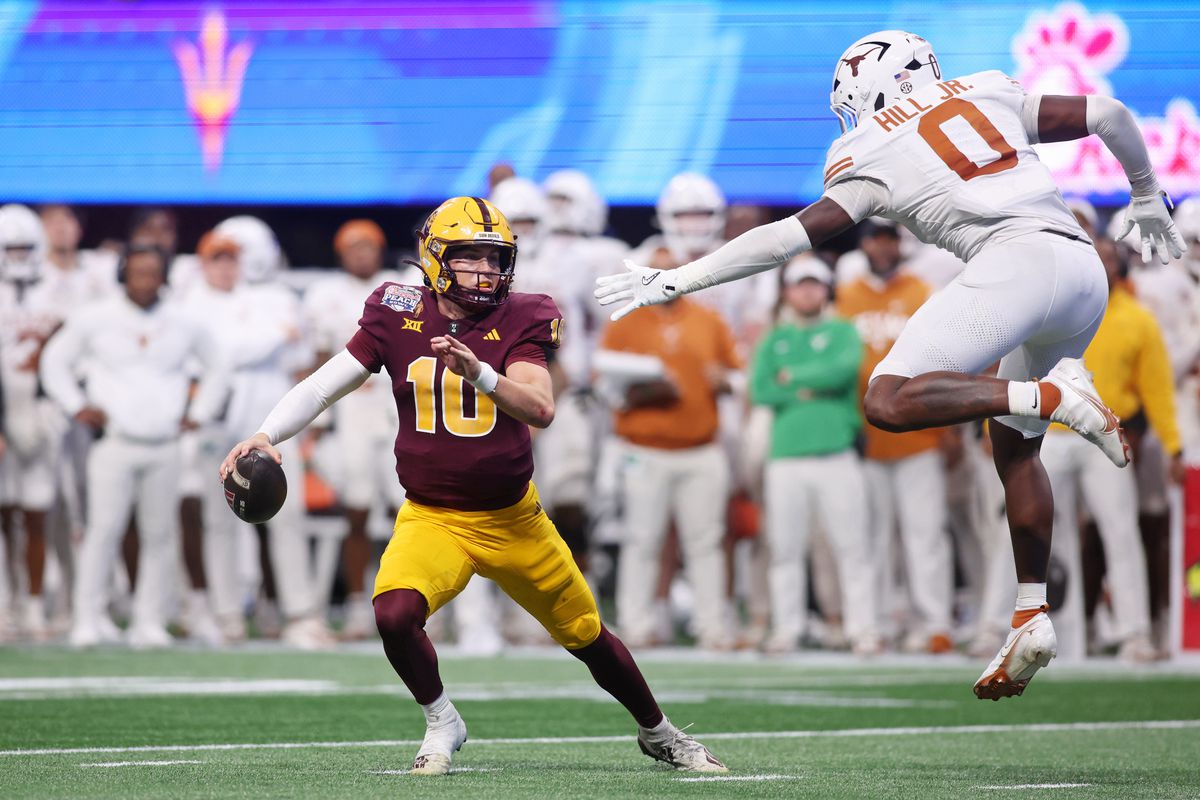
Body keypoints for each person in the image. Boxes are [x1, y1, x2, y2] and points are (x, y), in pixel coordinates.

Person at [594, 30, 1185, 700]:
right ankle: (1030, 611)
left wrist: (683, 278)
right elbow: (1109, 114)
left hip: (1014, 262)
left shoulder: (867, 147)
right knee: (1014, 452)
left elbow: (788, 238)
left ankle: (1051, 396)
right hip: (1081, 268)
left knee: (888, 399)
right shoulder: (988, 87)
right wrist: (1143, 195)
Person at [220, 197, 727, 775]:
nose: (486, 271)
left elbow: (540, 407)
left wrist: (480, 373)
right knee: (392, 614)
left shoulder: (525, 314)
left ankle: (659, 732)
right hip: (432, 515)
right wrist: (265, 433)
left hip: (514, 520)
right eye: (471, 259)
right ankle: (441, 719)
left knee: (587, 635)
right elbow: (321, 387)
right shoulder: (395, 309)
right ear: (435, 259)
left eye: (494, 259)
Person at [40, 242, 229, 648]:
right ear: (123, 273)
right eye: (138, 271)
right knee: (102, 530)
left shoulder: (184, 322)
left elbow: (218, 366)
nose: (146, 280)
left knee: (160, 534)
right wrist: (77, 405)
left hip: (165, 442)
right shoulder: (95, 318)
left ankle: (149, 622)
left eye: (153, 272)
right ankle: (87, 618)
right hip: (113, 442)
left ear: (164, 277)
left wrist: (201, 411)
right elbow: (53, 361)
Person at [1040, 237, 1183, 661]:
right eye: (1093, 258)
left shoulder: (1138, 319)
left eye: (1107, 259)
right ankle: (1055, 634)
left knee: (1121, 532)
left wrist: (1173, 446)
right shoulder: (1054, 310)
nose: (1100, 266)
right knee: (1045, 535)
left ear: (1120, 268)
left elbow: (1157, 389)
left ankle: (1133, 632)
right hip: (1053, 432)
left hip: (1108, 436)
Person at [600, 246, 741, 651]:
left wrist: (725, 381)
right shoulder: (625, 319)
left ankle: (713, 626)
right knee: (642, 540)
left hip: (701, 447)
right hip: (644, 447)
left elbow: (737, 376)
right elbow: (605, 388)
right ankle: (635, 624)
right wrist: (644, 391)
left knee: (706, 542)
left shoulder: (708, 319)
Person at [836, 219, 956, 653]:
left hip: (918, 432)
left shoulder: (921, 290)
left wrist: (947, 428)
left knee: (925, 534)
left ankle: (935, 622)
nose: (883, 247)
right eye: (875, 239)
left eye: (889, 239)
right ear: (865, 244)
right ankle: (881, 623)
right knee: (873, 537)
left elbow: (943, 360)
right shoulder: (846, 296)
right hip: (867, 437)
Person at [750, 254, 879, 655]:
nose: (807, 292)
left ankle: (864, 630)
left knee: (852, 546)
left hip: (836, 453)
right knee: (785, 548)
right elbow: (761, 389)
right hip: (786, 455)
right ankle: (786, 629)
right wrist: (812, 381)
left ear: (826, 290)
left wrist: (793, 376)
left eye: (814, 284)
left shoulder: (843, 332)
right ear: (787, 292)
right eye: (799, 285)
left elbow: (842, 372)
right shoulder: (773, 339)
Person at [303, 219, 412, 640]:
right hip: (349, 408)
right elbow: (317, 358)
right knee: (357, 509)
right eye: (354, 246)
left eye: (368, 246)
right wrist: (319, 422)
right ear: (340, 252)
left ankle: (418, 604)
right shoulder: (324, 294)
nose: (362, 253)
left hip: (395, 404)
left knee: (410, 508)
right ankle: (355, 606)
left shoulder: (399, 289)